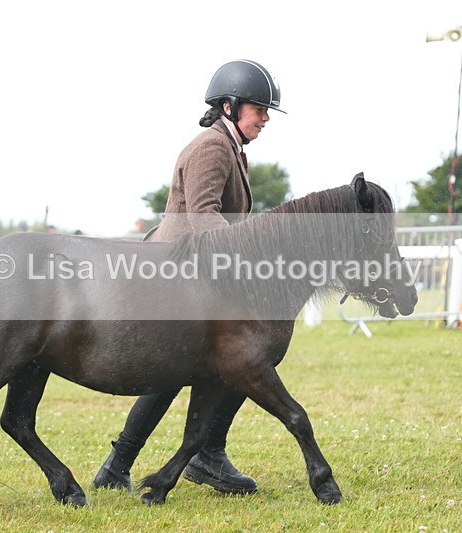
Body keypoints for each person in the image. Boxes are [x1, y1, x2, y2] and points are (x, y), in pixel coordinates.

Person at [93, 59, 284, 495]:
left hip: (195, 268)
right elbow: (203, 215)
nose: (266, 118)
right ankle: (202, 456)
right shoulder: (212, 148)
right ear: (231, 106)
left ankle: (126, 465)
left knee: (196, 369)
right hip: (179, 271)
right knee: (240, 356)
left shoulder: (232, 148)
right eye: (260, 109)